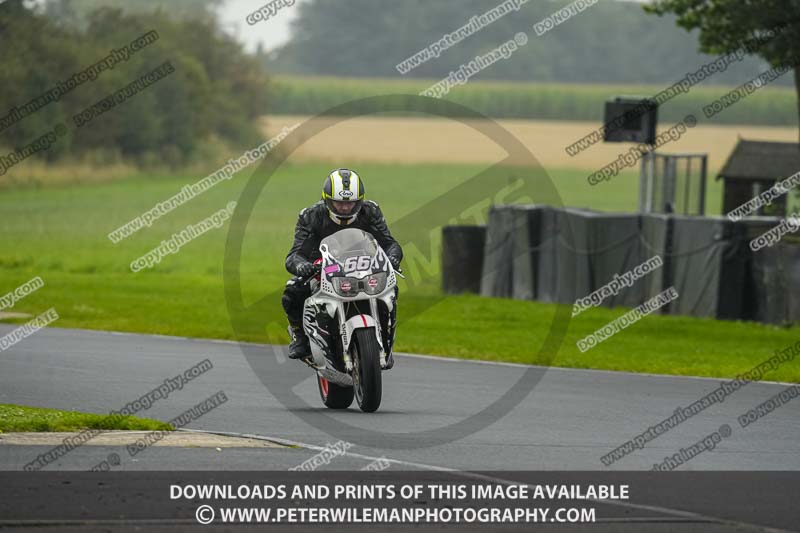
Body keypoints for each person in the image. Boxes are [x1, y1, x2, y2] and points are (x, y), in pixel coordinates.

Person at [282, 168, 403, 360]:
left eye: (351, 203)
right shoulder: (310, 216)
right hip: (322, 266)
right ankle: (300, 337)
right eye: (340, 203)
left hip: (364, 266)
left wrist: (393, 257)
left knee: (391, 287)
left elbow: (389, 243)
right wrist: (302, 266)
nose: (345, 208)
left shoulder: (370, 211)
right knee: (292, 291)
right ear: (327, 199)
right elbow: (294, 254)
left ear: (359, 200)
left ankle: (385, 336)